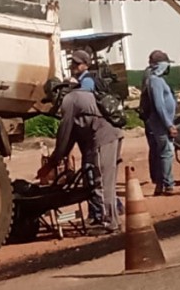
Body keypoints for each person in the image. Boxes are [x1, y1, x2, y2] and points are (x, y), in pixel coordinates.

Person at [38, 88, 122, 235]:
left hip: (104, 136)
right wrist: (56, 159)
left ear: (57, 93)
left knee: (101, 180)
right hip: (113, 134)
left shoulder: (69, 100)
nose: (53, 104)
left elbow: (64, 135)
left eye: (51, 99)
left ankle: (109, 223)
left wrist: (51, 163)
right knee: (107, 181)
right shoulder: (79, 96)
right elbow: (70, 137)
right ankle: (112, 220)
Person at [140, 50, 180, 197]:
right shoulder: (155, 81)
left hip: (160, 123)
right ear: (160, 65)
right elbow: (159, 105)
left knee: (161, 152)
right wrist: (169, 124)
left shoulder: (155, 80)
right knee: (166, 153)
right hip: (161, 124)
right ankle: (169, 185)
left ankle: (160, 185)